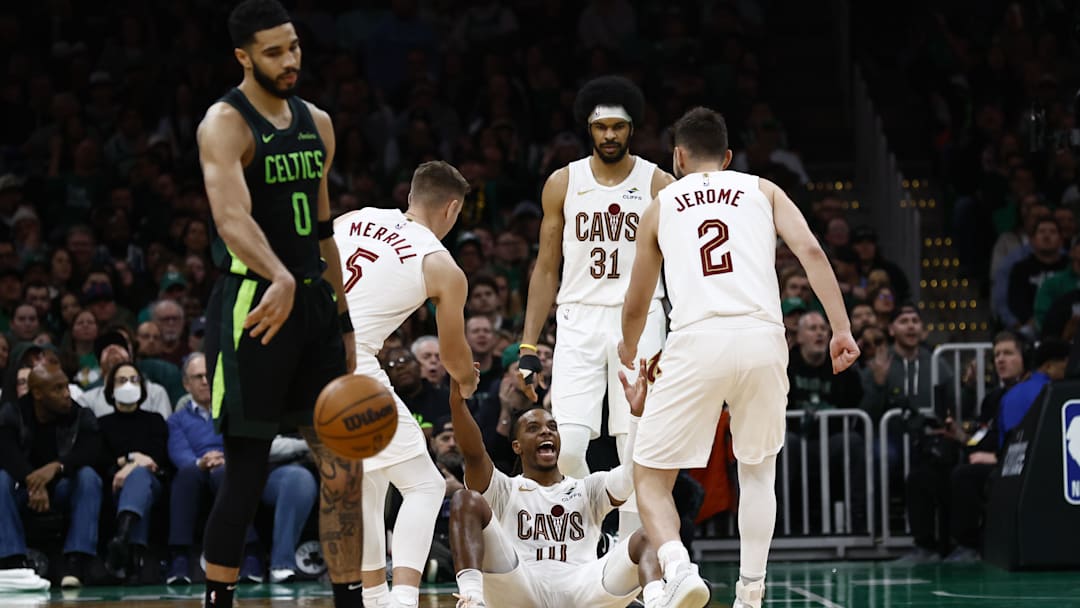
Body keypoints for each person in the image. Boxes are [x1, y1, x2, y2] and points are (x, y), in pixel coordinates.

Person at [618, 107, 859, 608]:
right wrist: (840, 328)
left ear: (678, 157)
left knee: (650, 477)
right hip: (762, 338)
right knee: (756, 469)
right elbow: (812, 252)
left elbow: (639, 300)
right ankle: (750, 593)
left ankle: (679, 568)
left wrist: (627, 348)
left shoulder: (661, 203)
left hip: (697, 339)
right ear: (728, 157)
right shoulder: (762, 189)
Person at [195, 1, 359, 606]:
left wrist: (342, 319)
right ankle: (220, 599)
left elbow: (322, 228)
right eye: (273, 52)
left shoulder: (316, 121)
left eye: (293, 46)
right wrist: (278, 277)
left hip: (313, 307)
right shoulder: (225, 123)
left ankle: (350, 599)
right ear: (244, 57)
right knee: (245, 469)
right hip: (255, 310)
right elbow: (231, 218)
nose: (290, 60)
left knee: (344, 465)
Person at [517, 75, 674, 539]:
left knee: (637, 446)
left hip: (642, 318)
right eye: (601, 126)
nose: (609, 135)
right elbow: (546, 268)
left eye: (618, 127)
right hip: (578, 316)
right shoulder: (563, 182)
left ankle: (631, 556)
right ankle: (591, 537)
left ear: (632, 129)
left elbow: (678, 263)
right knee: (567, 444)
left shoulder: (658, 183)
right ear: (588, 127)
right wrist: (528, 344)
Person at [332, 160, 480, 608]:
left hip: (298, 361)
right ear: (452, 208)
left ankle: (375, 598)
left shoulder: (353, 218)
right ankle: (404, 599)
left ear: (411, 195)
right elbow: (454, 358)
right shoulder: (442, 264)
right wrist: (469, 379)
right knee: (425, 486)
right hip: (349, 363)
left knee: (372, 482)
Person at [448, 363, 663, 608]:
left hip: (582, 589)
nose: (546, 433)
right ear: (517, 446)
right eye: (533, 428)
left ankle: (658, 601)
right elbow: (474, 454)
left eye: (552, 428)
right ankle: (471, 599)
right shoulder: (505, 489)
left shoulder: (588, 488)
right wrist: (457, 403)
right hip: (522, 587)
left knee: (649, 534)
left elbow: (630, 476)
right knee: (465, 499)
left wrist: (636, 416)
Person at [0, 362, 104, 588]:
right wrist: (32, 481)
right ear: (37, 393)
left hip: (61, 490)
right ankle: (12, 562)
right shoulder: (12, 412)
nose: (67, 394)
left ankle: (75, 562)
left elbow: (93, 450)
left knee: (88, 477)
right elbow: (5, 452)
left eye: (67, 386)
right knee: (0, 479)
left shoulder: (79, 415)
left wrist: (56, 467)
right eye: (58, 389)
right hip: (21, 493)